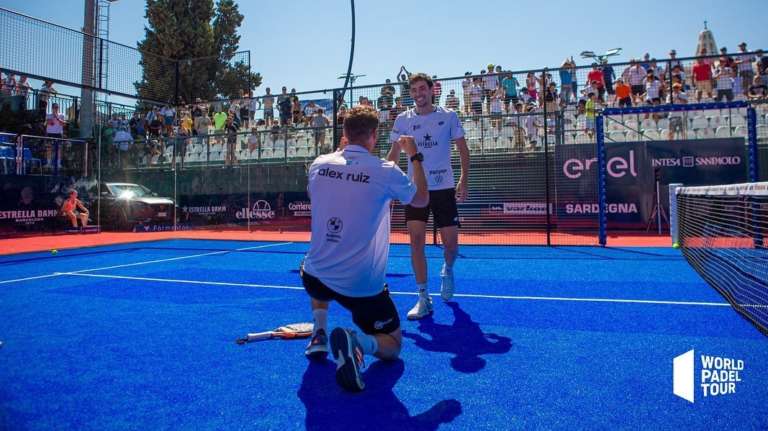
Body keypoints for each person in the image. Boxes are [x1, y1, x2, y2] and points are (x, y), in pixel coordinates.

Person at [300, 105, 429, 392]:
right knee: (394, 346)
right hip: (361, 287)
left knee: (313, 268)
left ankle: (319, 332)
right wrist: (415, 155)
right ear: (374, 135)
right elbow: (420, 199)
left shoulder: (319, 163)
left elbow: (317, 192)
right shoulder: (385, 171)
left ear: (344, 134)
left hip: (315, 276)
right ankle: (358, 341)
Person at [387, 73, 470, 320]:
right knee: (415, 242)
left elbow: (463, 150)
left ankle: (448, 268)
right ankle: (423, 296)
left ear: (432, 90)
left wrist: (464, 179)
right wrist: (386, 184)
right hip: (415, 190)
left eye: (422, 88)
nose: (418, 94)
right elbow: (393, 154)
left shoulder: (449, 116)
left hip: (444, 188)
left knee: (451, 244)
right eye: (413, 90)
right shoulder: (403, 119)